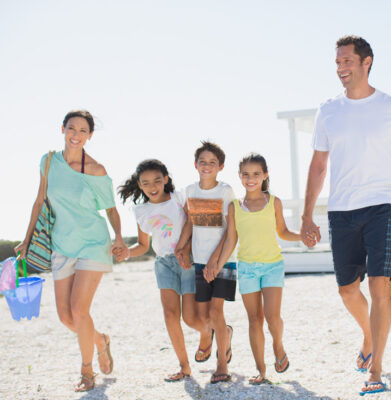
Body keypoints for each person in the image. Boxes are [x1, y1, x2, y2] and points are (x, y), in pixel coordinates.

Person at [300, 36, 391, 396]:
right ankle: (370, 334)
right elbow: (317, 166)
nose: (341, 68)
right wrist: (308, 214)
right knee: (346, 290)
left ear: (366, 62)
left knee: (379, 285)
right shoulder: (328, 110)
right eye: (337, 62)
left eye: (347, 61)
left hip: (383, 207)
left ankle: (376, 369)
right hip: (342, 209)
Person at [14, 110, 127, 392]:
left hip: (92, 244)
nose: (76, 135)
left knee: (79, 309)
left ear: (90, 136)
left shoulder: (96, 169)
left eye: (82, 131)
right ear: (62, 129)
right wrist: (26, 241)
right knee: (66, 317)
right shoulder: (49, 161)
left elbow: (111, 208)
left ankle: (87, 372)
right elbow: (39, 200)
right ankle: (100, 340)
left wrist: (120, 238)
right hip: (61, 244)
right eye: (71, 128)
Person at [215, 153, 300, 385]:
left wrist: (302, 236)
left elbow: (282, 232)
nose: (250, 178)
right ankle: (261, 371)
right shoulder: (234, 207)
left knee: (272, 318)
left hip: (272, 266)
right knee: (254, 320)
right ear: (240, 177)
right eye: (245, 174)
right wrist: (217, 265)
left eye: (255, 174)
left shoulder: (274, 202)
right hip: (247, 268)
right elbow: (231, 240)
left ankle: (278, 346)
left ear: (265, 175)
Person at [116, 159, 204, 382]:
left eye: (157, 180)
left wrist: (184, 248)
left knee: (190, 318)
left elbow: (192, 222)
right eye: (146, 183)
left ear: (166, 179)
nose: (152, 186)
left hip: (188, 260)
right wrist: (126, 253)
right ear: (139, 185)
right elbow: (143, 246)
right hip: (164, 264)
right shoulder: (141, 211)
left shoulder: (179, 198)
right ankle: (185, 367)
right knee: (170, 315)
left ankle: (210, 332)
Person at [174, 141, 236, 384]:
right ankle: (225, 334)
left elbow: (230, 231)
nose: (207, 166)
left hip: (224, 261)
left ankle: (222, 364)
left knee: (215, 311)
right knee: (203, 318)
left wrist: (215, 262)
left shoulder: (225, 191)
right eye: (203, 162)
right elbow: (190, 221)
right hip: (199, 261)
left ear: (220, 166)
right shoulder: (190, 191)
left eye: (212, 162)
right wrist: (181, 247)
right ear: (195, 165)